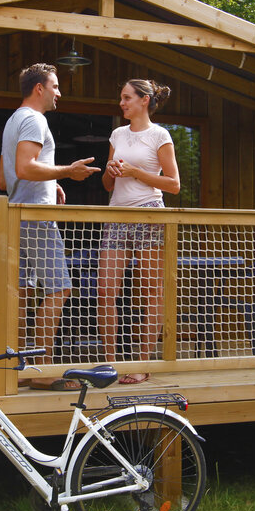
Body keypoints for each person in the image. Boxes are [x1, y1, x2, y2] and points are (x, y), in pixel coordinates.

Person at [0, 63, 99, 390]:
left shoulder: (12, 121)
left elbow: (5, 178)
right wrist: (66, 172)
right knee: (60, 288)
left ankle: (17, 368)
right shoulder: (34, 119)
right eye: (55, 86)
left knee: (22, 293)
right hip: (37, 217)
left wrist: (49, 183)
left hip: (16, 214)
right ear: (39, 88)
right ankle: (44, 371)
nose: (59, 93)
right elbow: (25, 167)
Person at [98, 79, 180, 385]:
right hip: (116, 216)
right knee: (106, 291)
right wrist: (109, 172)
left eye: (127, 98)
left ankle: (143, 364)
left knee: (149, 292)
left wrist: (137, 173)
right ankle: (109, 363)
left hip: (149, 215)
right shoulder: (117, 134)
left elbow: (174, 184)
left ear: (144, 100)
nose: (122, 103)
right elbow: (108, 185)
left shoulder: (160, 135)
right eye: (121, 98)